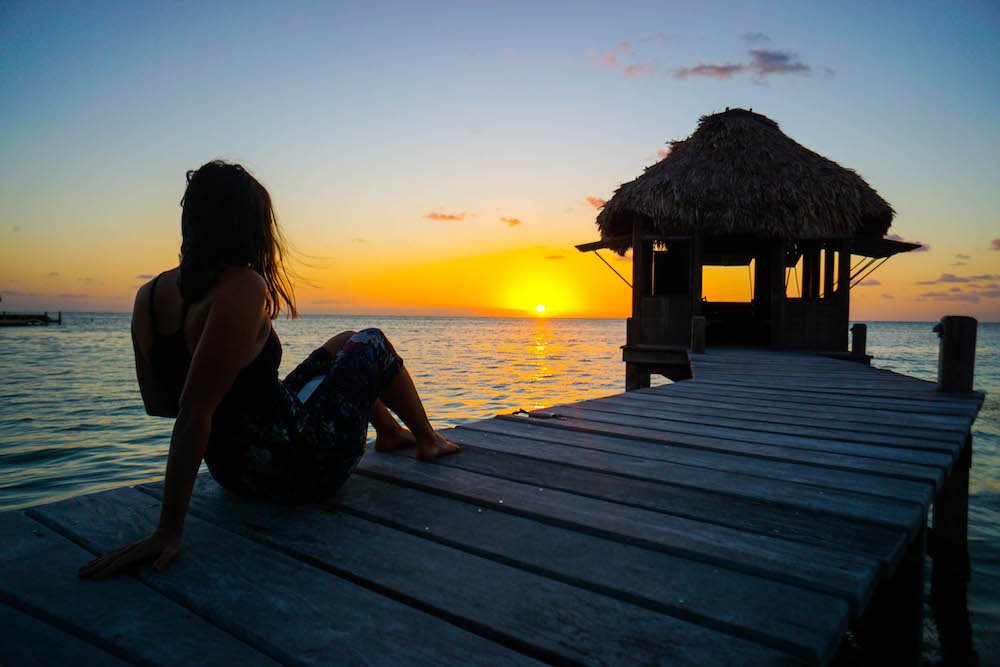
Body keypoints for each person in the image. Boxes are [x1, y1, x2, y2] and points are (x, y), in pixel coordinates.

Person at [79, 160, 458, 579]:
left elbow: (161, 404)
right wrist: (168, 530)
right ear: (248, 225)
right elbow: (193, 411)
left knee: (343, 341)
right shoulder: (242, 286)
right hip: (302, 468)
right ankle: (427, 441)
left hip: (235, 473)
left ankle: (388, 433)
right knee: (369, 339)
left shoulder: (147, 296)